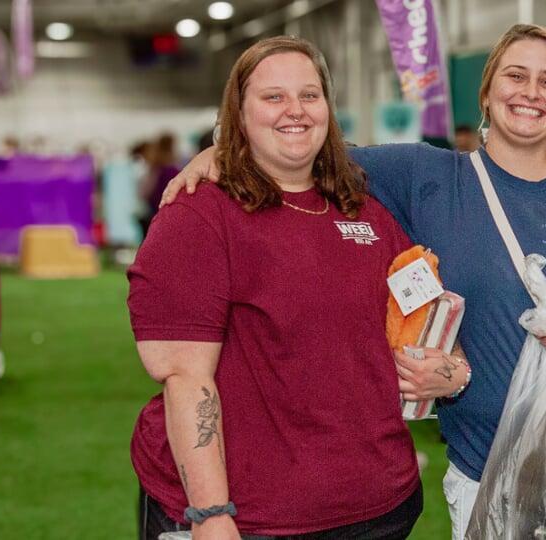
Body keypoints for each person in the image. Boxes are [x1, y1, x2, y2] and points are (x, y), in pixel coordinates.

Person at [162, 25, 546, 539]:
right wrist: (223, 155)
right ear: (488, 91)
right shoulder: (424, 177)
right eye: (515, 76)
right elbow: (304, 150)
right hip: (488, 473)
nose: (530, 93)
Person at [128, 36, 424, 540]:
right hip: (251, 517)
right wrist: (210, 513)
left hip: (378, 506)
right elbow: (183, 376)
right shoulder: (198, 217)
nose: (296, 111)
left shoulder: (364, 210)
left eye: (310, 95)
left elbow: (419, 316)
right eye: (273, 97)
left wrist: (445, 368)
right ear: (238, 116)